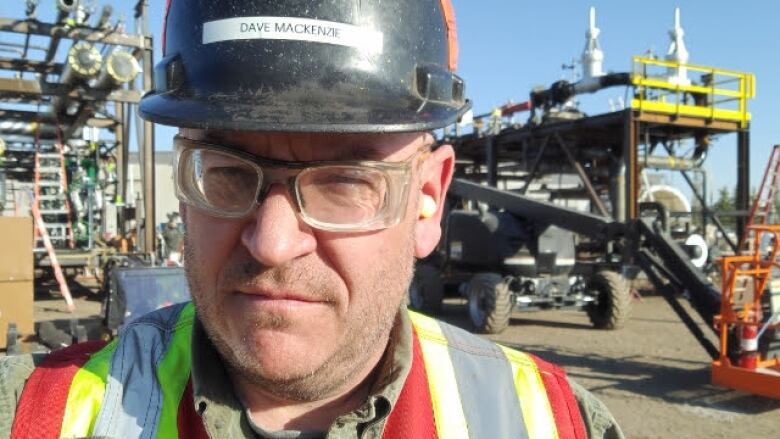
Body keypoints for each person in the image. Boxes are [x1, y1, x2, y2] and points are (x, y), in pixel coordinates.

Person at [0, 1, 624, 438]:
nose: (271, 243)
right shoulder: (35, 413)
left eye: (347, 181)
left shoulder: (553, 425)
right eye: (225, 172)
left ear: (428, 199)